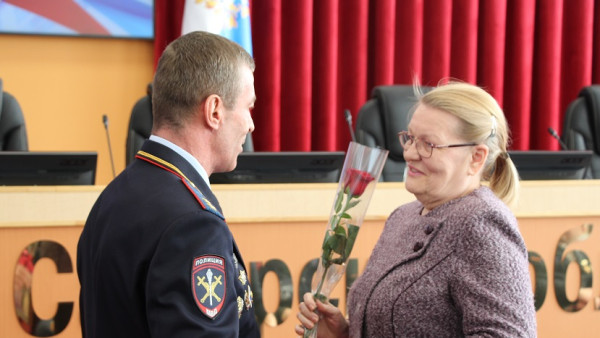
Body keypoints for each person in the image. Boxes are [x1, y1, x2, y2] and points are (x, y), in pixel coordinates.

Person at [296, 82, 537, 337]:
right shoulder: (403, 216)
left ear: (476, 157)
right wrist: (344, 334)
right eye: (410, 138)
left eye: (428, 144)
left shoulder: (483, 223)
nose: (409, 153)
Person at [77, 31, 260, 337]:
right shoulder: (193, 224)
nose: (251, 124)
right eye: (249, 107)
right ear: (214, 110)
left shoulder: (111, 198)